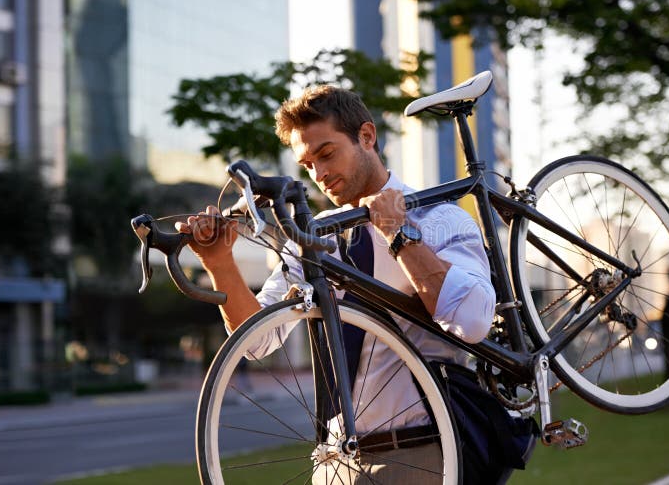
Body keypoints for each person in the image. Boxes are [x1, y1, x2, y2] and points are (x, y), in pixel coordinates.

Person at [177, 85, 501, 483]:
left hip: (421, 451)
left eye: (327, 154)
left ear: (367, 136)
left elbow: (472, 321)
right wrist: (219, 262)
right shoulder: (317, 240)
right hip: (335, 458)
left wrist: (398, 233)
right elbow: (258, 340)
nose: (320, 174)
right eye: (307, 164)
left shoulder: (438, 218)